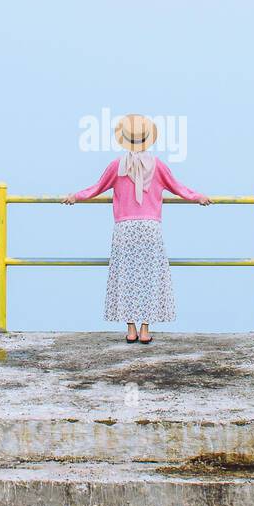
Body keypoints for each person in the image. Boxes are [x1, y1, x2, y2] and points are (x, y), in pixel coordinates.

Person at [63, 114, 209, 343]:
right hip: (150, 227)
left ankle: (130, 328)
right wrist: (197, 197)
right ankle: (145, 329)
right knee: (149, 278)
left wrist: (75, 197)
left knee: (125, 277)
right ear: (147, 139)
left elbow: (96, 188)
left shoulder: (117, 166)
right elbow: (178, 187)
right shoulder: (158, 166)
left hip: (125, 228)